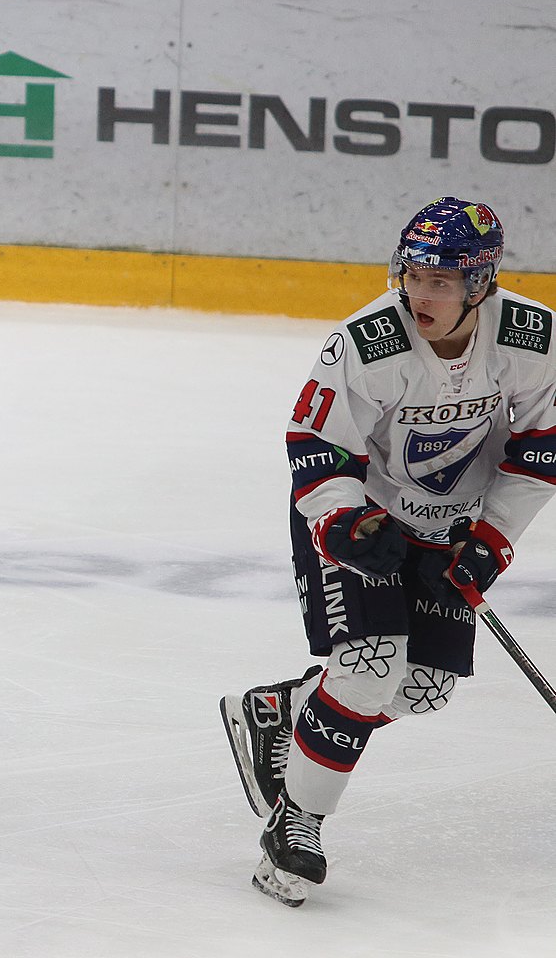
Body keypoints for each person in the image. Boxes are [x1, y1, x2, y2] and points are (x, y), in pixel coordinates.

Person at [220, 196, 556, 906]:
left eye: (441, 281)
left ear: (481, 284)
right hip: (362, 519)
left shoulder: (531, 337)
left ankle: (285, 712)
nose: (420, 292)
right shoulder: (368, 342)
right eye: (413, 274)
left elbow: (540, 449)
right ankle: (296, 824)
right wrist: (342, 526)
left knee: (423, 688)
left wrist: (490, 542)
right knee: (370, 669)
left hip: (452, 524)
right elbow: (315, 443)